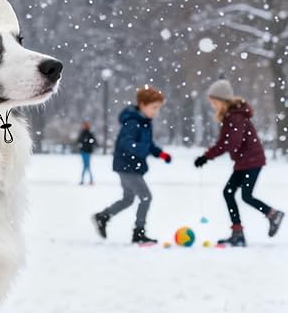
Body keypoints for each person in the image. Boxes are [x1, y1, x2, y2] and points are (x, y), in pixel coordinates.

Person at [194, 79, 284, 247]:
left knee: (245, 195)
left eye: (214, 102)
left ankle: (273, 214)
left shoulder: (236, 117)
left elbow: (231, 143)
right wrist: (206, 156)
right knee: (229, 193)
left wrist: (208, 156)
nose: (213, 105)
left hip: (252, 160)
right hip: (244, 162)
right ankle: (237, 233)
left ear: (223, 100)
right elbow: (224, 142)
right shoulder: (230, 117)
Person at [92, 86, 172, 244]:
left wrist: (160, 153)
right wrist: (143, 151)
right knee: (146, 197)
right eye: (154, 107)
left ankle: (103, 216)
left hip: (131, 167)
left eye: (158, 108)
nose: (156, 111)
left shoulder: (145, 122)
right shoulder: (133, 123)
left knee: (128, 199)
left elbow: (147, 144)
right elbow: (126, 144)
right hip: (128, 167)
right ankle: (139, 233)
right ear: (142, 104)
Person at [76, 120, 96, 185]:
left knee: (86, 166)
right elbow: (78, 141)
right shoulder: (82, 133)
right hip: (83, 152)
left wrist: (88, 143)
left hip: (87, 152)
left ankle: (87, 180)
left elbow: (94, 142)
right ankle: (88, 180)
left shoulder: (89, 133)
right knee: (86, 166)